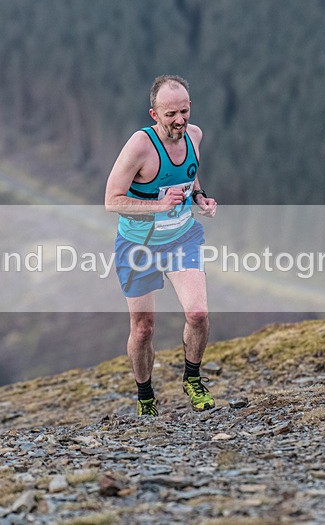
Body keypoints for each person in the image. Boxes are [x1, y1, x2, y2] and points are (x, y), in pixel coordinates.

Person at [105, 74, 218, 416]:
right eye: (170, 115)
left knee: (198, 314)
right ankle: (145, 396)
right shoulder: (139, 146)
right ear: (154, 114)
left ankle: (193, 378)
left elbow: (189, 174)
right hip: (139, 245)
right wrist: (158, 206)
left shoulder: (194, 136)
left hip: (182, 238)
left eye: (184, 112)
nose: (179, 120)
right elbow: (112, 200)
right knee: (143, 330)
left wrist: (199, 196)